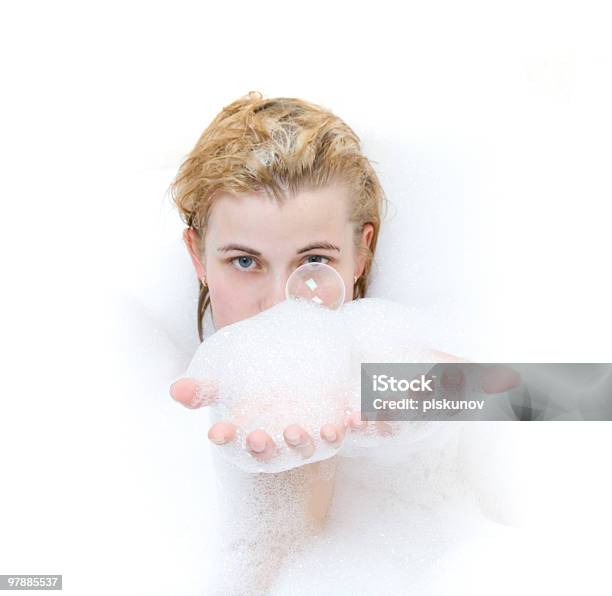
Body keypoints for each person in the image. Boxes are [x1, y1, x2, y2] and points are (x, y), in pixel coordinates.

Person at [165, 92, 518, 593]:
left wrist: (455, 393)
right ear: (198, 257)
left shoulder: (393, 357)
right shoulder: (153, 403)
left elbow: (576, 397)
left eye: (314, 261)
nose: (279, 303)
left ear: (363, 251)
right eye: (244, 261)